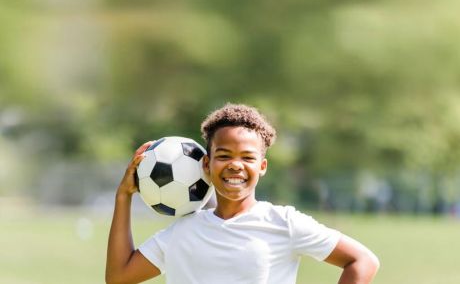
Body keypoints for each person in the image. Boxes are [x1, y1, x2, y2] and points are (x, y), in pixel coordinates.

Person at [106, 103, 380, 284]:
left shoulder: (283, 223)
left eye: (247, 158)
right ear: (206, 164)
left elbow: (362, 261)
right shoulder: (182, 232)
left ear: (262, 167)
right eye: (224, 155)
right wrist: (123, 196)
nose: (235, 165)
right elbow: (118, 275)